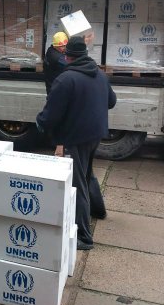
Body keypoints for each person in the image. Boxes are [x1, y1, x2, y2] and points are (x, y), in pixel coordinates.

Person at [36, 36, 116, 250]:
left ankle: (84, 237)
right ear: (85, 54)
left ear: (67, 55)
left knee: (76, 183)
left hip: (75, 137)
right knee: (86, 173)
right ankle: (98, 210)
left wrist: (40, 122)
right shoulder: (100, 74)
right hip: (96, 134)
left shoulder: (66, 79)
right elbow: (112, 101)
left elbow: (51, 114)